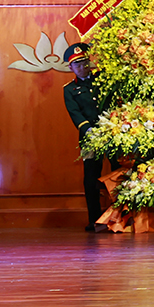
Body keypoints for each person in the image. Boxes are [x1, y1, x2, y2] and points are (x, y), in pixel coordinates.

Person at [62, 42, 104, 231]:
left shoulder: (102, 80)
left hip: (113, 132)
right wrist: (88, 130)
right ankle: (95, 220)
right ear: (71, 67)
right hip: (90, 136)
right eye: (77, 64)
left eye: (84, 62)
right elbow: (75, 113)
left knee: (119, 171)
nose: (82, 67)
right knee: (91, 177)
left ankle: (121, 216)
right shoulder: (69, 89)